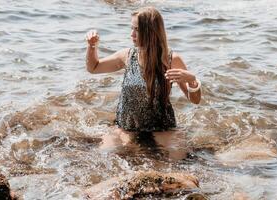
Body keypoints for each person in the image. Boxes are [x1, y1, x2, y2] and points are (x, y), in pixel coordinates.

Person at [85, 6, 201, 134]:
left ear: (151, 31)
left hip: (161, 129)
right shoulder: (127, 56)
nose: (132, 34)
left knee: (180, 154)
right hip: (126, 126)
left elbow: (195, 100)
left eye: (137, 30)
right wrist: (91, 46)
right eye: (132, 28)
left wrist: (192, 82)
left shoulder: (171, 59)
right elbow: (93, 68)